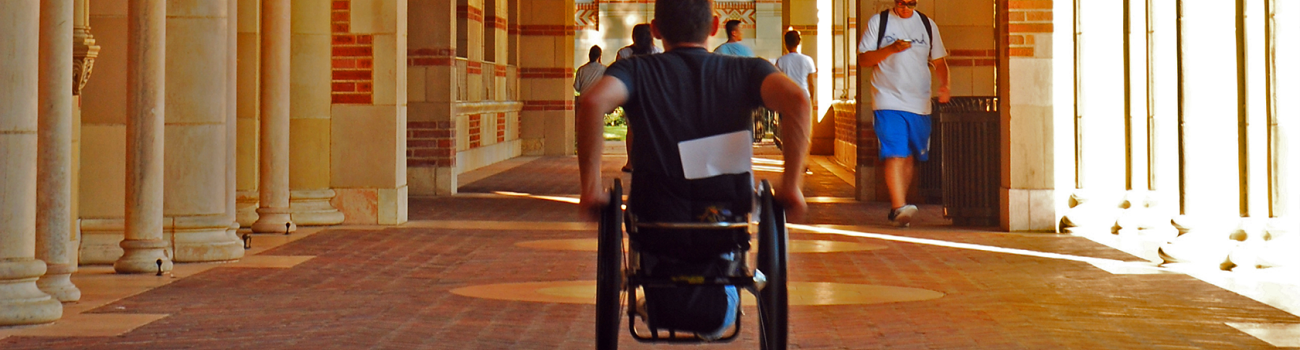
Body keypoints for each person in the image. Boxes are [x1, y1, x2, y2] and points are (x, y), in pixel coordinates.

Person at [576, 0, 811, 340]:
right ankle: (717, 307)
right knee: (720, 279)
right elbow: (798, 101)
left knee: (661, 255)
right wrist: (791, 185)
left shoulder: (637, 71)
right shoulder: (747, 71)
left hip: (655, 220)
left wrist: (590, 188)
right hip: (724, 221)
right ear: (714, 26)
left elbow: (593, 101)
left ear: (656, 30)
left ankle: (665, 302)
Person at [857, 0, 950, 227]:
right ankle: (899, 206)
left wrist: (945, 85)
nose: (905, 7)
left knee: (908, 156)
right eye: (901, 3)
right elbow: (863, 59)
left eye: (910, 3)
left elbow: (939, 62)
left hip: (919, 102)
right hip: (887, 99)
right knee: (895, 153)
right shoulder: (879, 22)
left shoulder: (927, 25)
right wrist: (891, 48)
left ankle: (898, 208)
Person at [614, 24, 661, 173]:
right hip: (652, 96)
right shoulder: (657, 53)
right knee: (653, 129)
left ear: (634, 36)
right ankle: (652, 163)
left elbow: (617, 76)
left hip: (631, 95)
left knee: (632, 130)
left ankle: (630, 163)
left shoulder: (624, 53)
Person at [775, 30, 815, 98]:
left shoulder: (781, 60)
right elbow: (811, 84)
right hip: (803, 96)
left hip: (787, 95)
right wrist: (811, 100)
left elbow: (777, 81)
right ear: (798, 42)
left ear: (785, 43)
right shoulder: (808, 60)